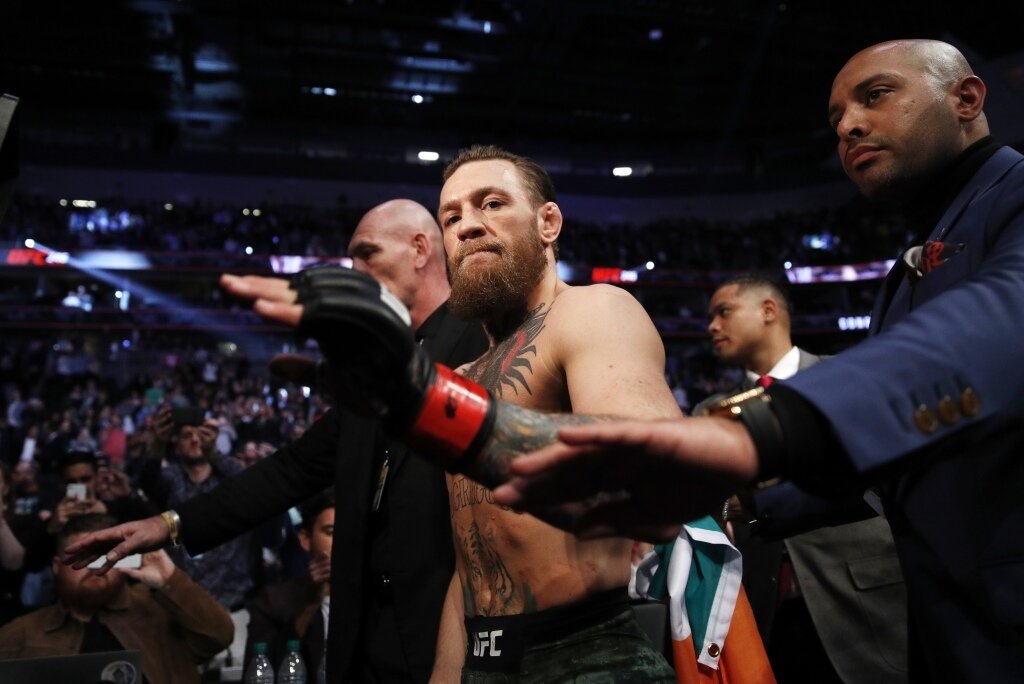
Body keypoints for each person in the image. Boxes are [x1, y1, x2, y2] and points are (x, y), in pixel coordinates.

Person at [489, 39, 1024, 681]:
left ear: (966, 98)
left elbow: (1001, 323)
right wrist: (740, 495)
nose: (849, 126)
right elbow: (898, 471)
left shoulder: (1013, 195)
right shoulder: (914, 261)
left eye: (876, 95)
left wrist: (753, 432)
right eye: (836, 118)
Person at [181, 146, 683, 680]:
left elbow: (657, 491)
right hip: (480, 657)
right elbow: (467, 574)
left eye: (492, 203)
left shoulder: (593, 311)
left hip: (585, 652)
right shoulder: (464, 375)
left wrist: (432, 406)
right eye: (452, 216)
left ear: (548, 222)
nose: (468, 224)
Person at [64, 199, 489, 683]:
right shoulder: (367, 373)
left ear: (419, 249)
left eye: (367, 253)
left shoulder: (482, 340)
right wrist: (169, 523)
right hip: (365, 643)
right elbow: (291, 469)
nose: (356, 270)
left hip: (448, 639)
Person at [695, 275, 907, 683]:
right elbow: (713, 509)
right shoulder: (710, 411)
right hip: (764, 613)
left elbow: (881, 475)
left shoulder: (846, 377)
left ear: (768, 311)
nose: (712, 327)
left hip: (865, 603)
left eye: (723, 312)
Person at [0, 513, 234, 684]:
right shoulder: (25, 632)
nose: (94, 566)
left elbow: (220, 637)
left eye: (105, 556)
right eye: (80, 557)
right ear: (56, 566)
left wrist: (170, 581)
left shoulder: (161, 610)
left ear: (124, 559)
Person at [244, 488, 335, 678]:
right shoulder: (273, 603)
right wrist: (312, 601)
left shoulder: (375, 599)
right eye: (331, 532)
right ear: (305, 539)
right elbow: (261, 673)